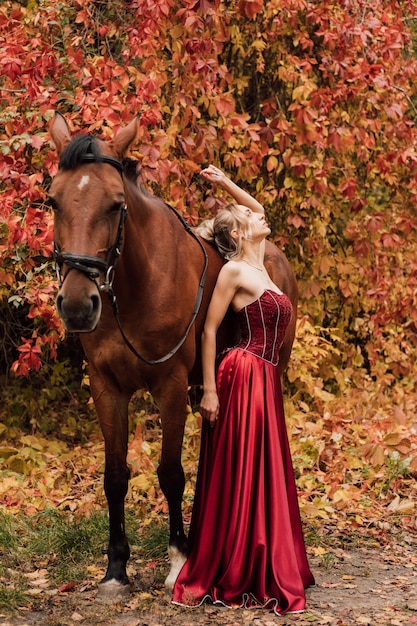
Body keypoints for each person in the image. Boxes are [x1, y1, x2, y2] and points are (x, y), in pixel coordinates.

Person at [172, 165, 314, 616]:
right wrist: (209, 390)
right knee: (241, 471)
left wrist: (224, 185)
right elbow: (210, 331)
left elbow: (255, 207)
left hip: (265, 379)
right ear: (236, 234)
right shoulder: (234, 271)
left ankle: (265, 555)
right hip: (241, 374)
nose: (260, 217)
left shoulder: (262, 268)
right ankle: (236, 562)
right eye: (250, 218)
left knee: (265, 471)